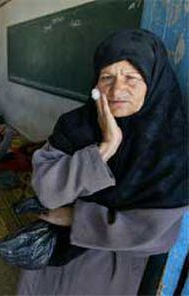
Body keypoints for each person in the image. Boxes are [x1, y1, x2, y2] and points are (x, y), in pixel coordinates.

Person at [17, 29, 188, 295]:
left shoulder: (174, 144)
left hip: (108, 271)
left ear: (153, 82)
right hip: (51, 262)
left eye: (131, 77)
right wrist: (105, 148)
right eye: (106, 77)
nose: (117, 89)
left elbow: (154, 234)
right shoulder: (75, 124)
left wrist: (78, 218)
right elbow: (47, 191)